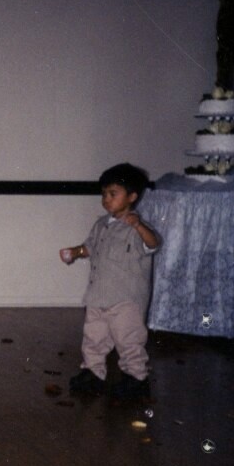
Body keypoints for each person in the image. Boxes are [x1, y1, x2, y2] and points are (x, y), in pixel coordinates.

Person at [60, 163, 161, 401]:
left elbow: (153, 244)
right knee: (93, 337)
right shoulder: (101, 225)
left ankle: (136, 377)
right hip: (98, 296)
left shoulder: (137, 228)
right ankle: (93, 372)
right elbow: (89, 247)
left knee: (129, 339)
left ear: (132, 197)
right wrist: (75, 252)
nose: (106, 199)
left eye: (113, 194)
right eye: (104, 194)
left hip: (126, 299)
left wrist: (138, 226)